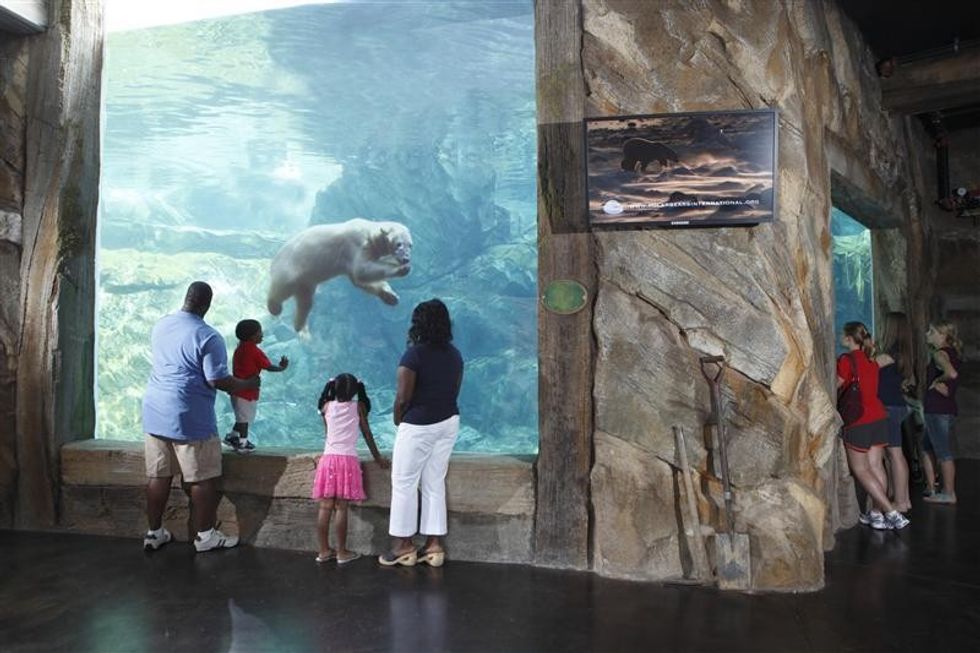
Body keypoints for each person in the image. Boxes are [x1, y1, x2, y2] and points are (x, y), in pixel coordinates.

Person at [141, 281, 259, 552]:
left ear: (186, 299)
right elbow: (217, 379)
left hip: (154, 411)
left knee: (158, 476)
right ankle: (205, 537)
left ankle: (154, 532)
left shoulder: (161, 325)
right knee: (202, 478)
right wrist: (247, 383)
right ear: (207, 305)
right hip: (189, 415)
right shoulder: (209, 336)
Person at [380, 299, 463, 567]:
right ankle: (434, 545)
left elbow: (403, 397)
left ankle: (404, 545)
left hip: (419, 425)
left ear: (418, 324)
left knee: (404, 482)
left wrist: (397, 419)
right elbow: (454, 390)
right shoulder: (454, 354)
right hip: (448, 421)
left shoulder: (414, 355)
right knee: (434, 482)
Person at [837, 321, 909, 530]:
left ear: (849, 339)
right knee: (877, 466)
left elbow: (836, 384)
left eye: (843, 335)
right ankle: (876, 514)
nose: (840, 338)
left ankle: (891, 512)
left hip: (859, 419)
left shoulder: (846, 360)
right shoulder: (871, 361)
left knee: (860, 469)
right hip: (878, 416)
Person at [312, 373, 388, 564]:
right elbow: (367, 434)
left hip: (328, 459)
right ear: (355, 391)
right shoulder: (358, 407)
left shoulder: (326, 407)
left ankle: (323, 551)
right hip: (347, 461)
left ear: (333, 389)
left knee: (325, 506)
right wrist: (377, 457)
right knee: (341, 507)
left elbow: (327, 433)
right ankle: (342, 552)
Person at [224, 319, 289, 453]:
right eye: (259, 332)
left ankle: (232, 437)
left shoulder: (239, 349)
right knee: (244, 420)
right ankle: (242, 443)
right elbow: (267, 366)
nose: (262, 335)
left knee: (241, 417)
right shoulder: (253, 350)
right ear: (252, 336)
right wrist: (281, 368)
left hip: (237, 390)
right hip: (246, 392)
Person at [875, 312, 914, 513]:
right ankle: (904, 499)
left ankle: (899, 501)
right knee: (896, 455)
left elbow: (866, 369)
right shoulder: (903, 354)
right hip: (897, 406)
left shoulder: (887, 355)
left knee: (894, 455)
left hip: (888, 408)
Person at [921, 321, 962, 505]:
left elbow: (952, 374)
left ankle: (949, 493)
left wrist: (937, 381)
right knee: (926, 448)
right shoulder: (951, 353)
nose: (927, 333)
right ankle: (932, 488)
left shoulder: (939, 354)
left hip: (938, 410)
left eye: (932, 330)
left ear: (943, 335)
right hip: (941, 409)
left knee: (943, 452)